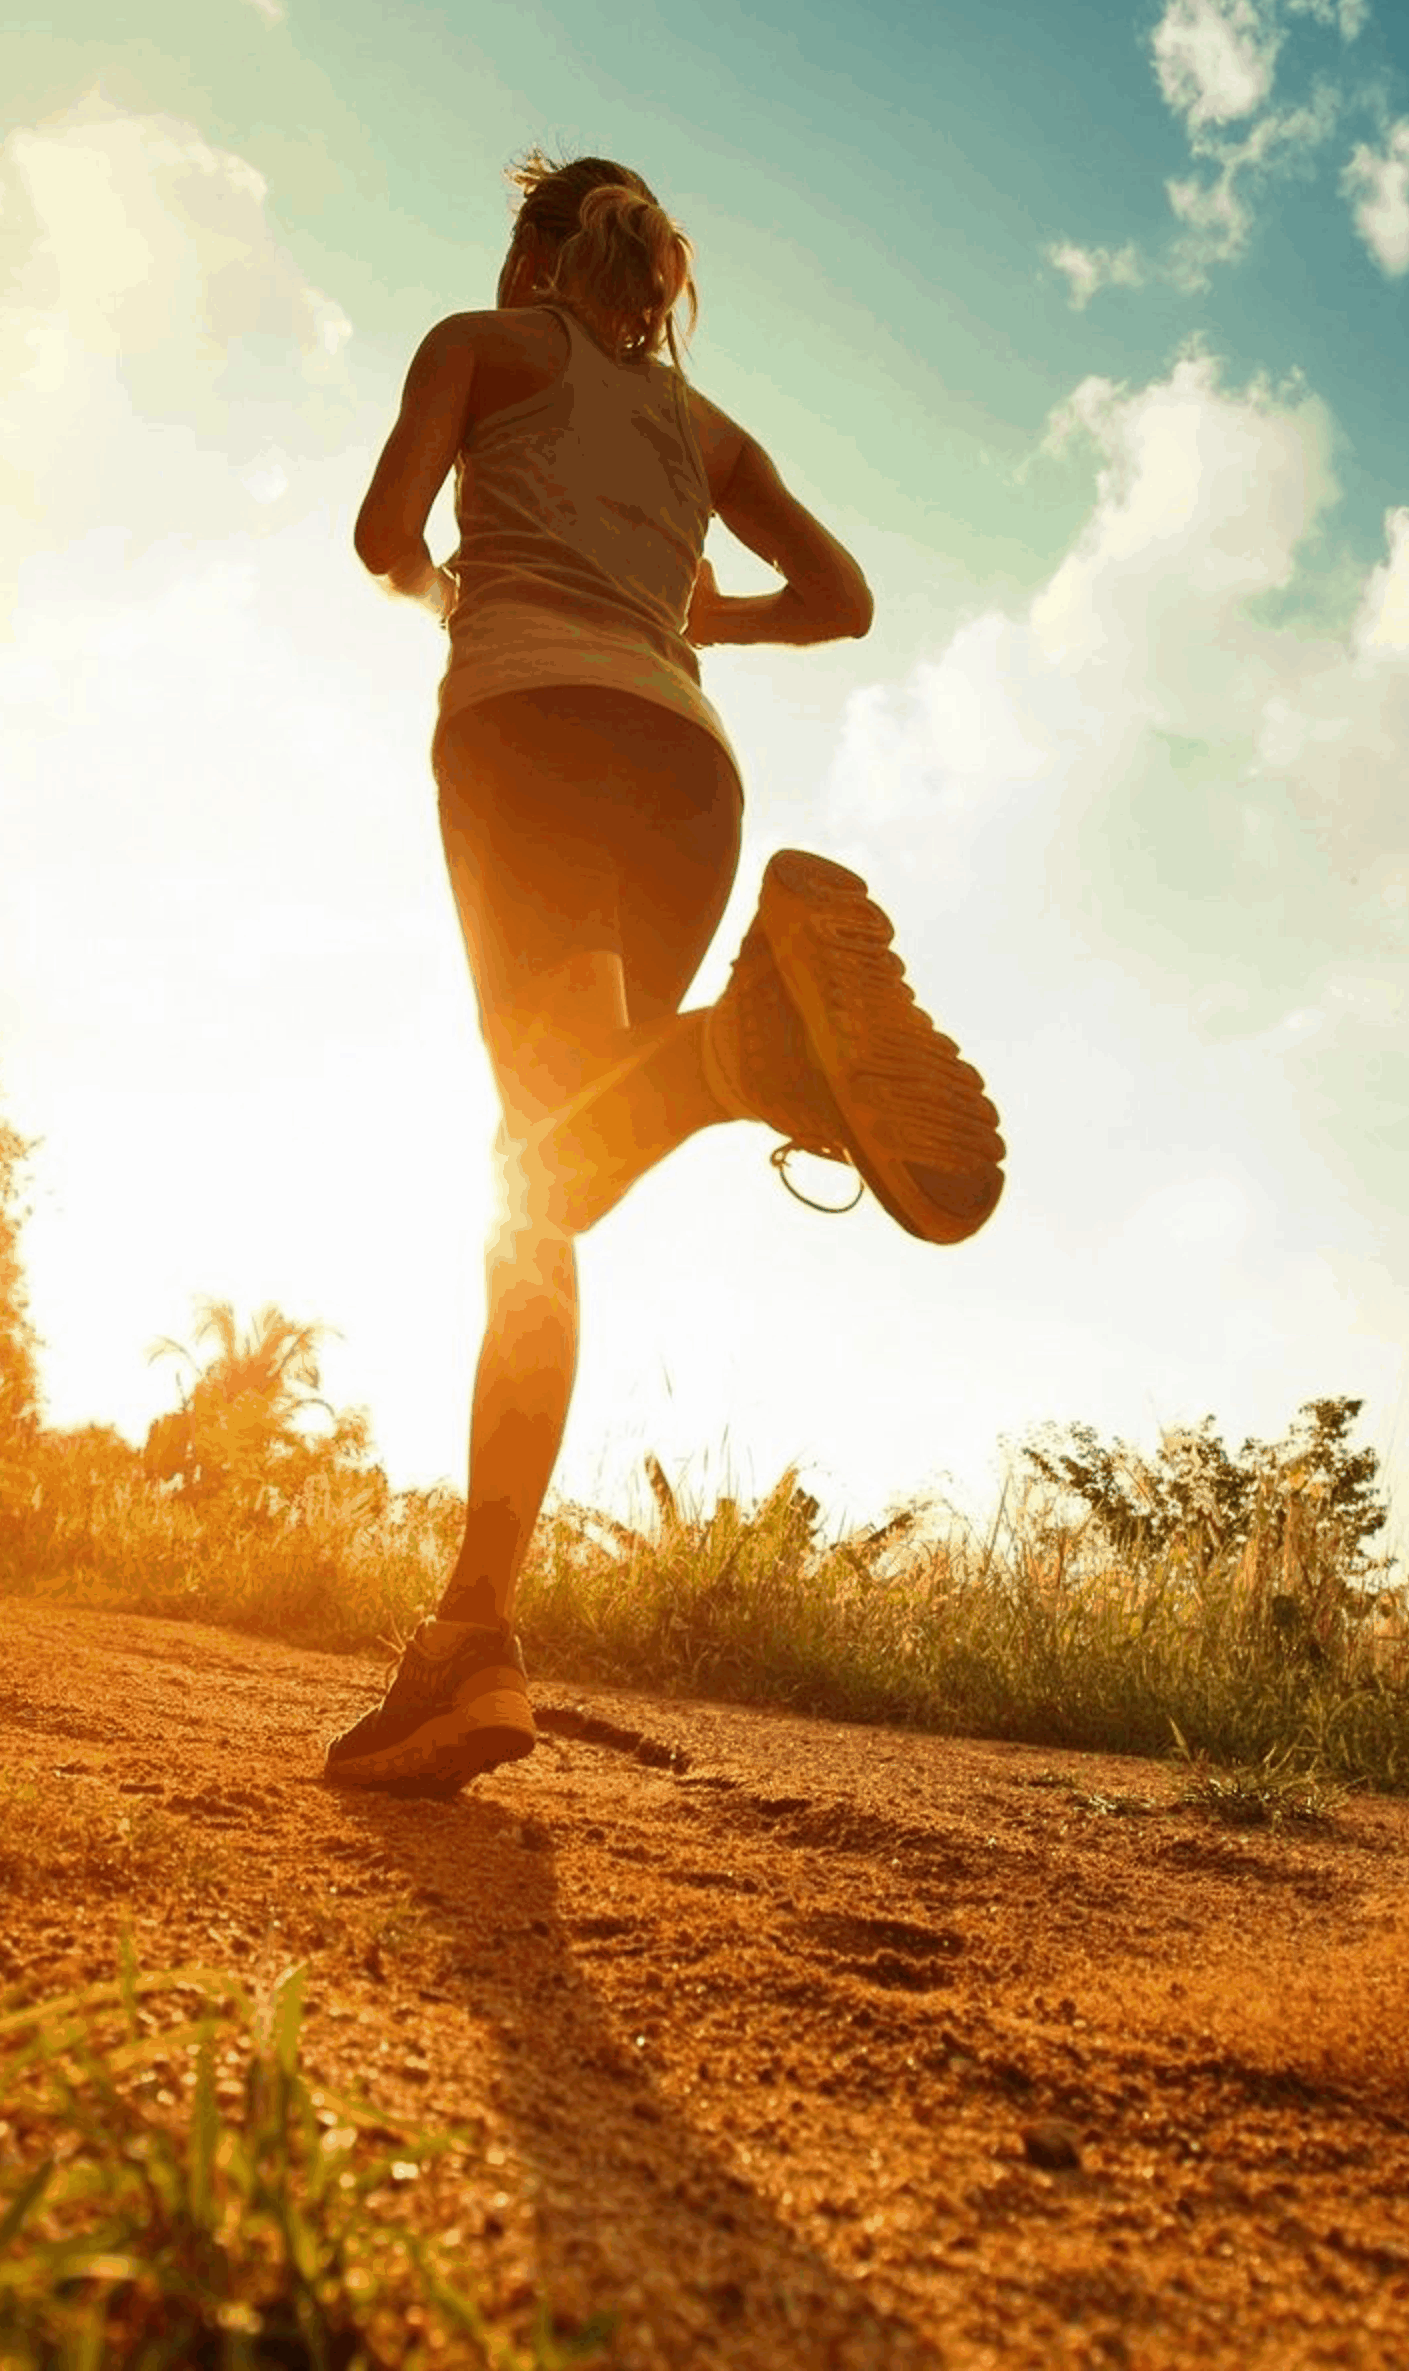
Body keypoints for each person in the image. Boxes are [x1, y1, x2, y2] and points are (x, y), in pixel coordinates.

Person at [327, 151, 1003, 1793]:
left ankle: (736, 1059)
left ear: (536, 254)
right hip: (689, 774)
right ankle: (471, 1642)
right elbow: (841, 600)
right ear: (653, 277)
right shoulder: (709, 434)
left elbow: (380, 533)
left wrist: (449, 597)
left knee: (542, 1174)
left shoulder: (481, 347)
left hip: (530, 735)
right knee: (550, 1177)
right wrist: (704, 617)